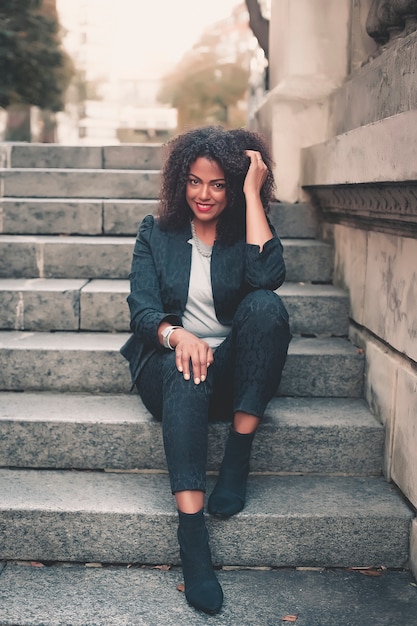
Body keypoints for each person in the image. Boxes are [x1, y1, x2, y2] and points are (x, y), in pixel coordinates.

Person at [121, 125, 290, 615]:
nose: (203, 194)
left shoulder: (242, 230)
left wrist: (253, 193)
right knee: (186, 371)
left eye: (217, 183)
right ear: (180, 182)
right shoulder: (157, 232)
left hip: (234, 369)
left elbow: (267, 278)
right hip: (171, 365)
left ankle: (238, 454)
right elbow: (143, 310)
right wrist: (179, 336)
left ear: (232, 185)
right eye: (195, 181)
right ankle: (192, 539)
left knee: (265, 309)